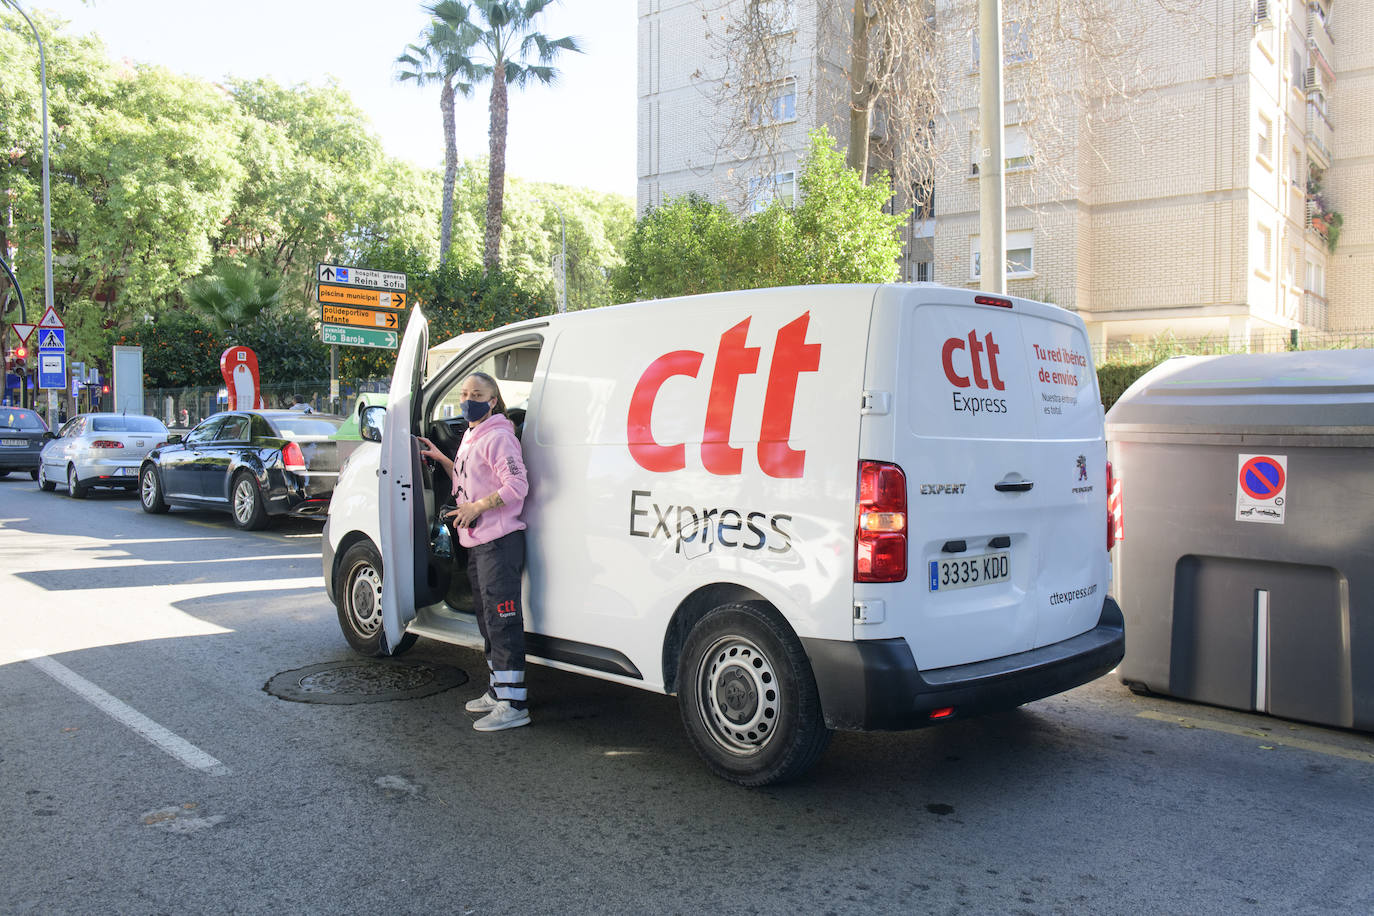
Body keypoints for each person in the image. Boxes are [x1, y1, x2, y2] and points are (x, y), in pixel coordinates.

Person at [418, 372, 530, 732]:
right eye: (464, 393)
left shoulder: (499, 436)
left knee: (503, 620)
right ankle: (498, 691)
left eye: (477, 394)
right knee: (486, 619)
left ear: (493, 399)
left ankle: (514, 703)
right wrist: (442, 459)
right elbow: (469, 478)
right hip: (479, 543)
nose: (469, 400)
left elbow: (517, 484)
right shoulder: (471, 435)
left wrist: (477, 508)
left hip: (499, 542)